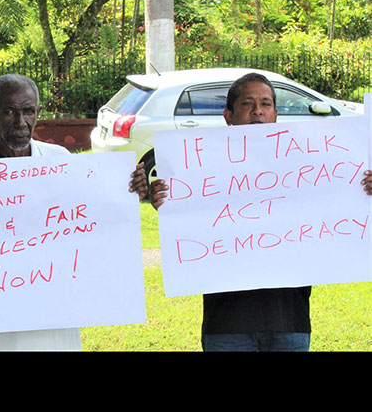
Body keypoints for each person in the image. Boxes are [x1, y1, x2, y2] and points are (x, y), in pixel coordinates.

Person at [0, 73, 146, 351]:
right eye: (9, 112)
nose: (21, 122)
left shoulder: (61, 161)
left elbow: (95, 216)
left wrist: (129, 190)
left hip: (54, 308)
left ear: (38, 113)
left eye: (28, 111)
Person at [147, 72, 372, 352]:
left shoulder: (306, 163)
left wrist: (364, 191)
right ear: (228, 115)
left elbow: (339, 204)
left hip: (288, 318)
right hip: (226, 321)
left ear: (275, 114)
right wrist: (166, 202)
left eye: (265, 104)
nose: (257, 111)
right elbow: (188, 221)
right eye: (247, 104)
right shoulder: (200, 169)